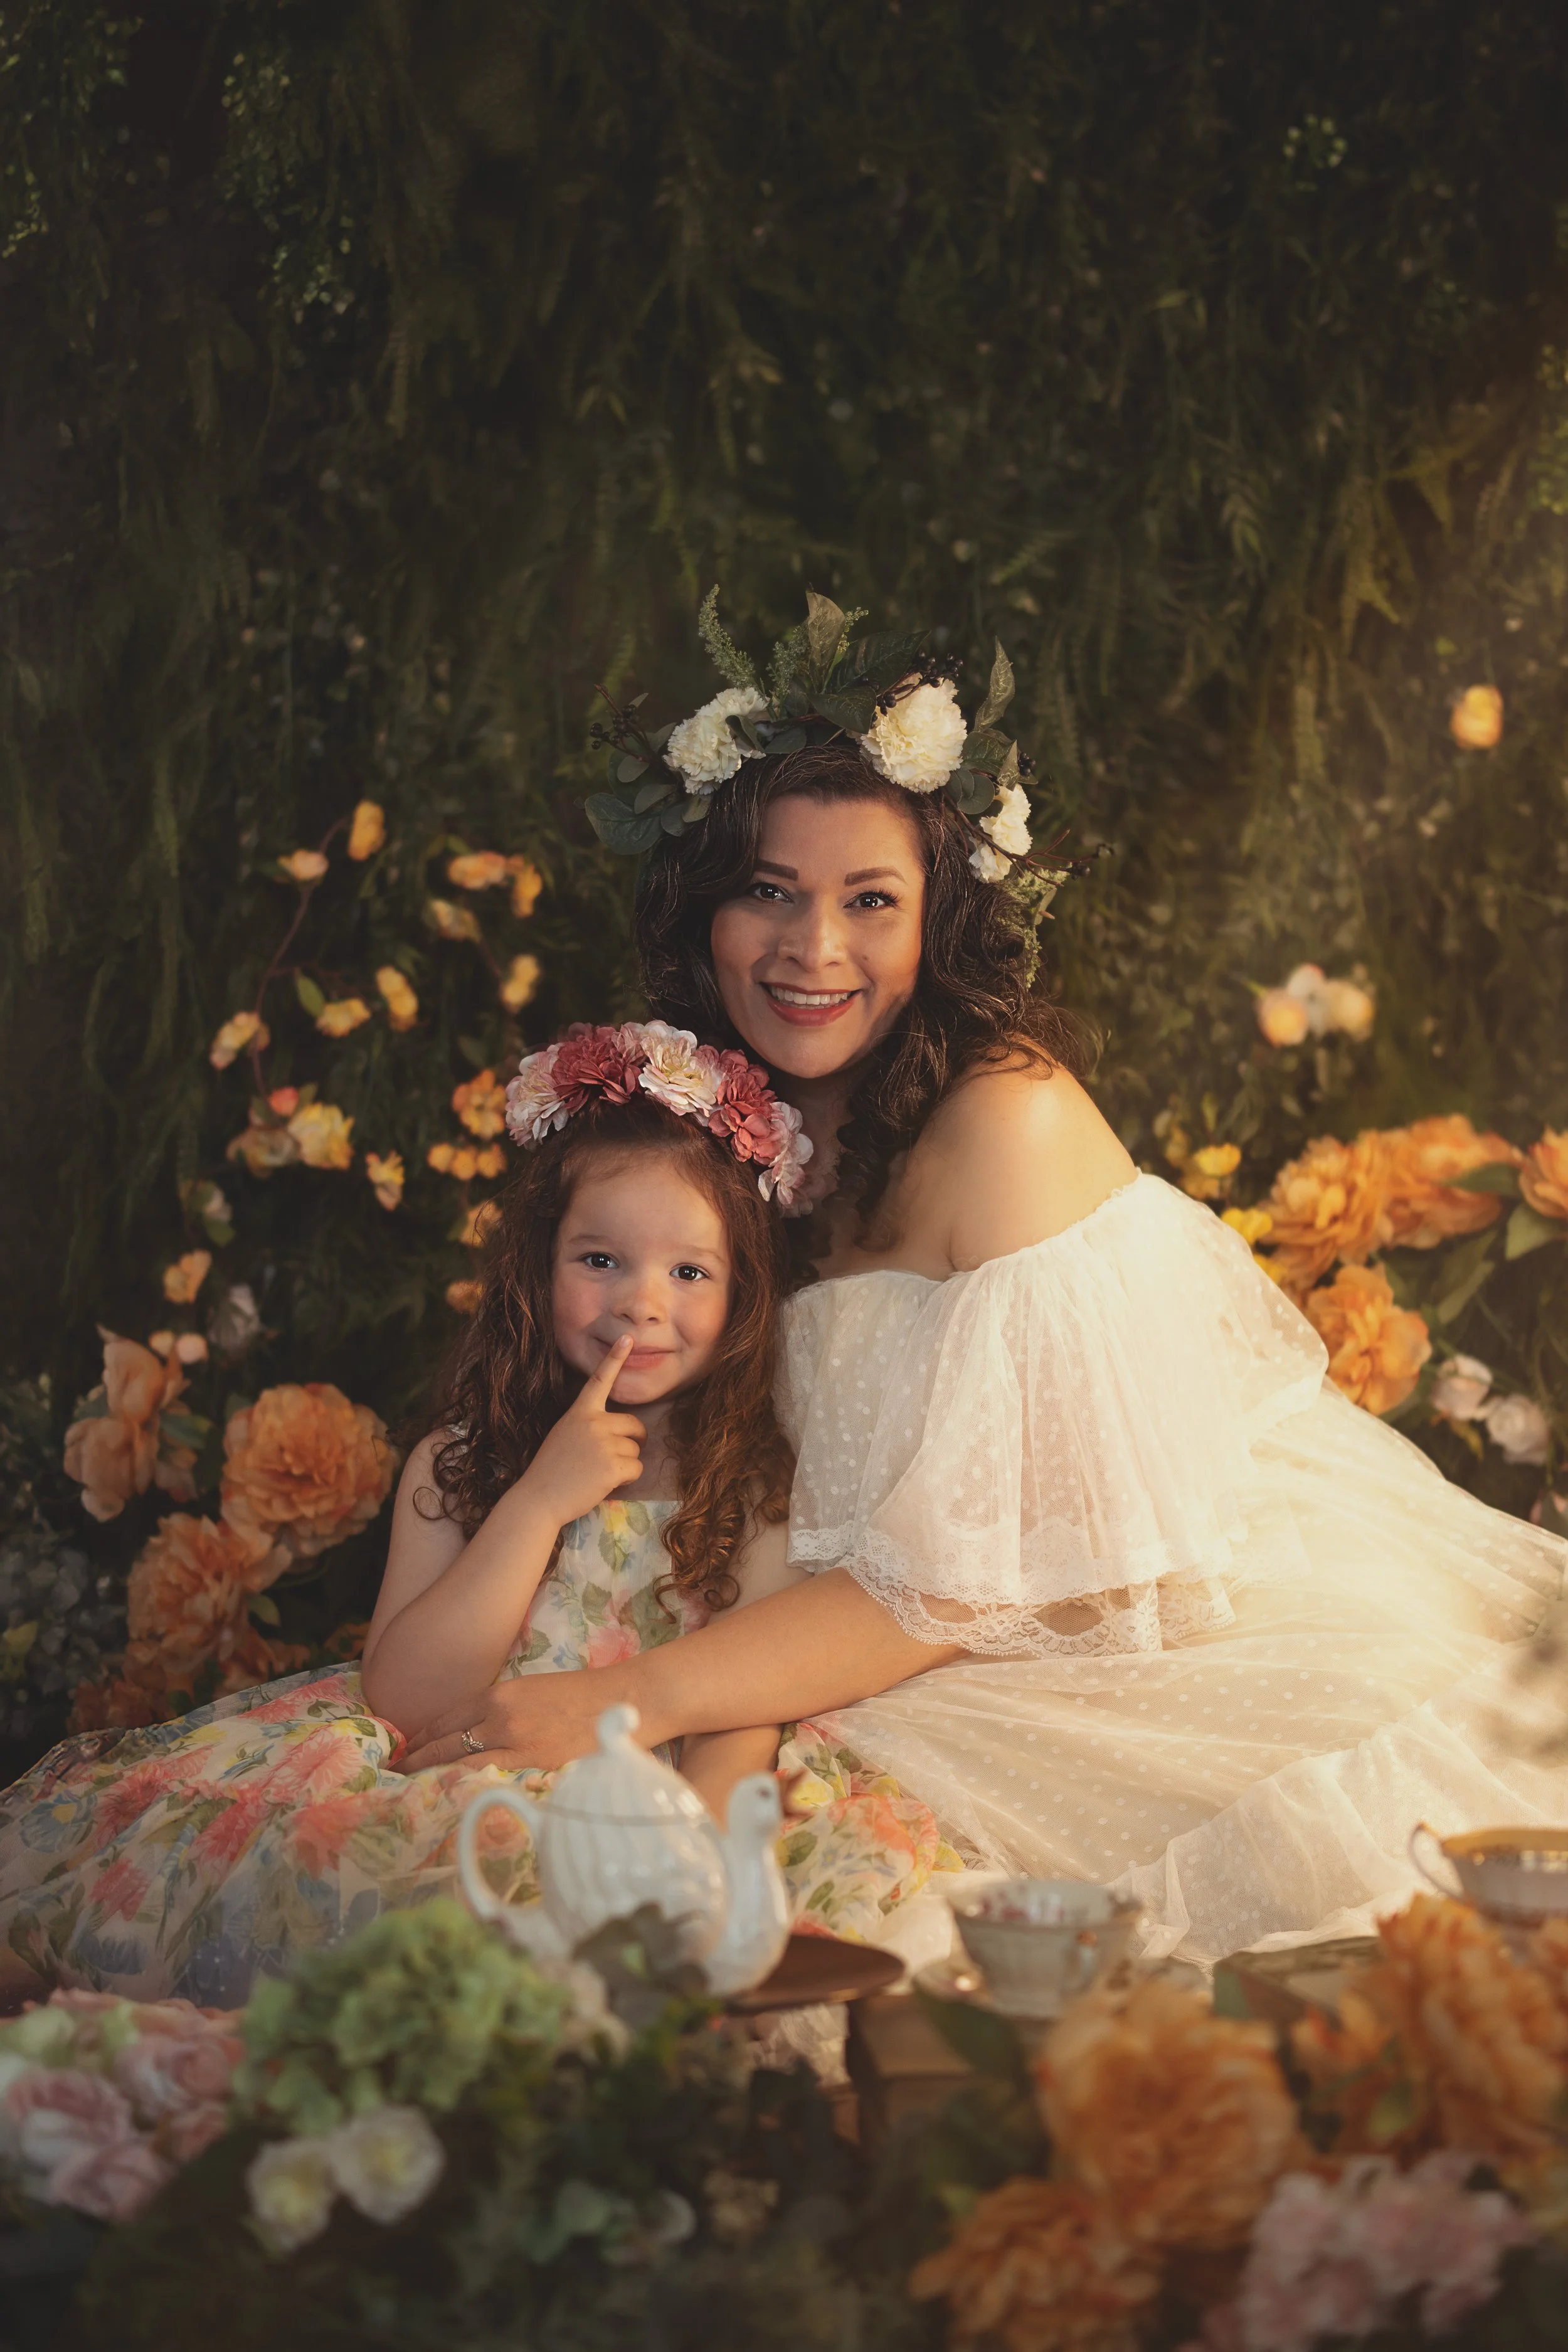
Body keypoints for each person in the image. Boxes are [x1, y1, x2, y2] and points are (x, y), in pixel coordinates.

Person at [400, 612, 1568, 1967]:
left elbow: (965, 1589)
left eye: (869, 902)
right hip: (819, 1637)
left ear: (939, 916)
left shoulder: (1003, 1129)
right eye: (767, 890)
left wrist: (639, 1703)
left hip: (1098, 1631)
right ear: (698, 905)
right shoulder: (710, 1134)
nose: (810, 950)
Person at [0, 1032, 955, 2007]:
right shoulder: (465, 1465)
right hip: (457, 1771)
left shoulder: (754, 1484)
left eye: (690, 1273)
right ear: (539, 1268)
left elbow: (742, 1705)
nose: (641, 1302)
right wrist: (539, 1500)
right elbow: (408, 1696)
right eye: (600, 1258)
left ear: (746, 1291)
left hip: (640, 1800)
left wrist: (696, 1859)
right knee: (352, 1877)